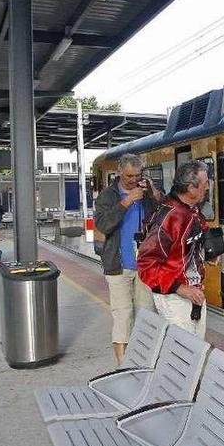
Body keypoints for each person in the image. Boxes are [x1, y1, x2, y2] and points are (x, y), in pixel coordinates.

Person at [94, 154, 161, 365]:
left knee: (146, 315)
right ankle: (123, 366)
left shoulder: (146, 193)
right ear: (120, 172)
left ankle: (144, 361)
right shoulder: (107, 195)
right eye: (129, 175)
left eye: (137, 175)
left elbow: (163, 213)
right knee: (123, 317)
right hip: (118, 266)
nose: (133, 180)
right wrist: (126, 201)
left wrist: (153, 192)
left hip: (145, 266)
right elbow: (103, 225)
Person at [138, 161, 216, 337]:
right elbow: (145, 264)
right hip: (175, 297)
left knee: (193, 353)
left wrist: (206, 255)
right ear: (191, 188)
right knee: (181, 355)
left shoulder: (191, 211)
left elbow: (188, 245)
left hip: (193, 293)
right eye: (205, 184)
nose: (207, 187)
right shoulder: (169, 217)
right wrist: (180, 288)